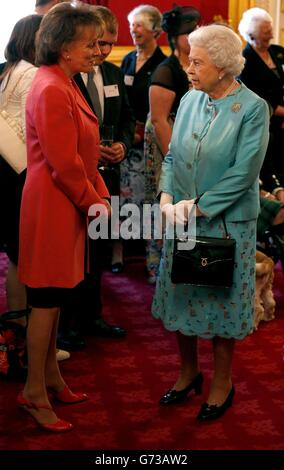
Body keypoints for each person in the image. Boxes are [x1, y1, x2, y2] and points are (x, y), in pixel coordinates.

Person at [152, 24, 269, 421]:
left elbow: (243, 173)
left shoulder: (253, 108)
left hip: (226, 222)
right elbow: (172, 157)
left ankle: (222, 382)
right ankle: (188, 373)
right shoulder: (188, 101)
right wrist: (168, 194)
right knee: (184, 294)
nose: (189, 68)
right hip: (181, 217)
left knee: (219, 301)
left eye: (197, 61)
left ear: (222, 66)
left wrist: (196, 207)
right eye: (189, 59)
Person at [17, 2, 110, 432]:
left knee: (55, 300)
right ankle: (33, 391)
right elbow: (64, 164)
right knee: (45, 301)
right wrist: (96, 204)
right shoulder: (52, 86)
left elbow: (82, 157)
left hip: (64, 201)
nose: (96, 49)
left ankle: (51, 378)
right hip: (53, 203)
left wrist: (98, 195)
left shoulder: (63, 81)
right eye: (89, 43)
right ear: (63, 46)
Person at [57, 5, 135, 348]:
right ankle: (67, 324)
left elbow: (128, 117)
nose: (102, 51)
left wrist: (120, 144)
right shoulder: (67, 76)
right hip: (75, 181)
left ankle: (92, 315)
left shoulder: (115, 74)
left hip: (109, 178)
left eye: (109, 44)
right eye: (97, 44)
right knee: (75, 252)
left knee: (100, 249)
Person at [144, 5, 200, 284]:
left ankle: (190, 266)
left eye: (197, 30)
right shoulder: (166, 70)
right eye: (188, 32)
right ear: (175, 37)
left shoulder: (199, 65)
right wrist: (176, 161)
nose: (194, 36)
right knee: (170, 209)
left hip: (194, 149)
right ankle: (163, 272)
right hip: (171, 149)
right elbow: (159, 121)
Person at [0, 15, 42, 312]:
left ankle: (17, 332)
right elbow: (34, 128)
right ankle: (22, 333)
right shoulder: (31, 74)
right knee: (22, 255)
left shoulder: (9, 70)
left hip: (6, 168)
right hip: (20, 171)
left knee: (17, 254)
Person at [120, 4, 166, 264]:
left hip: (150, 141)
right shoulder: (127, 59)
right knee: (126, 197)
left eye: (139, 25)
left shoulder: (162, 64)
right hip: (128, 140)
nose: (133, 29)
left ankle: (152, 258)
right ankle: (122, 252)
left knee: (150, 200)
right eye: (132, 25)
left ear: (155, 31)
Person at [238, 8, 284, 175]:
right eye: (266, 32)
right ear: (251, 35)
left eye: (271, 30)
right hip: (267, 125)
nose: (271, 36)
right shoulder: (244, 62)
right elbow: (257, 99)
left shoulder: (278, 52)